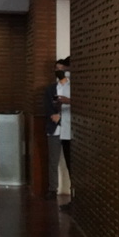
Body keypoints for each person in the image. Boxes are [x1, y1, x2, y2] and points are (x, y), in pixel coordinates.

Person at [44, 57, 69, 198]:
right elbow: (47, 106)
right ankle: (53, 188)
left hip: (69, 127)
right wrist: (54, 116)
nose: (59, 71)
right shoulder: (50, 89)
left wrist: (62, 118)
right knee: (53, 160)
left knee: (71, 161)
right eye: (57, 69)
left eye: (62, 69)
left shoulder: (72, 87)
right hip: (54, 128)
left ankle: (73, 189)